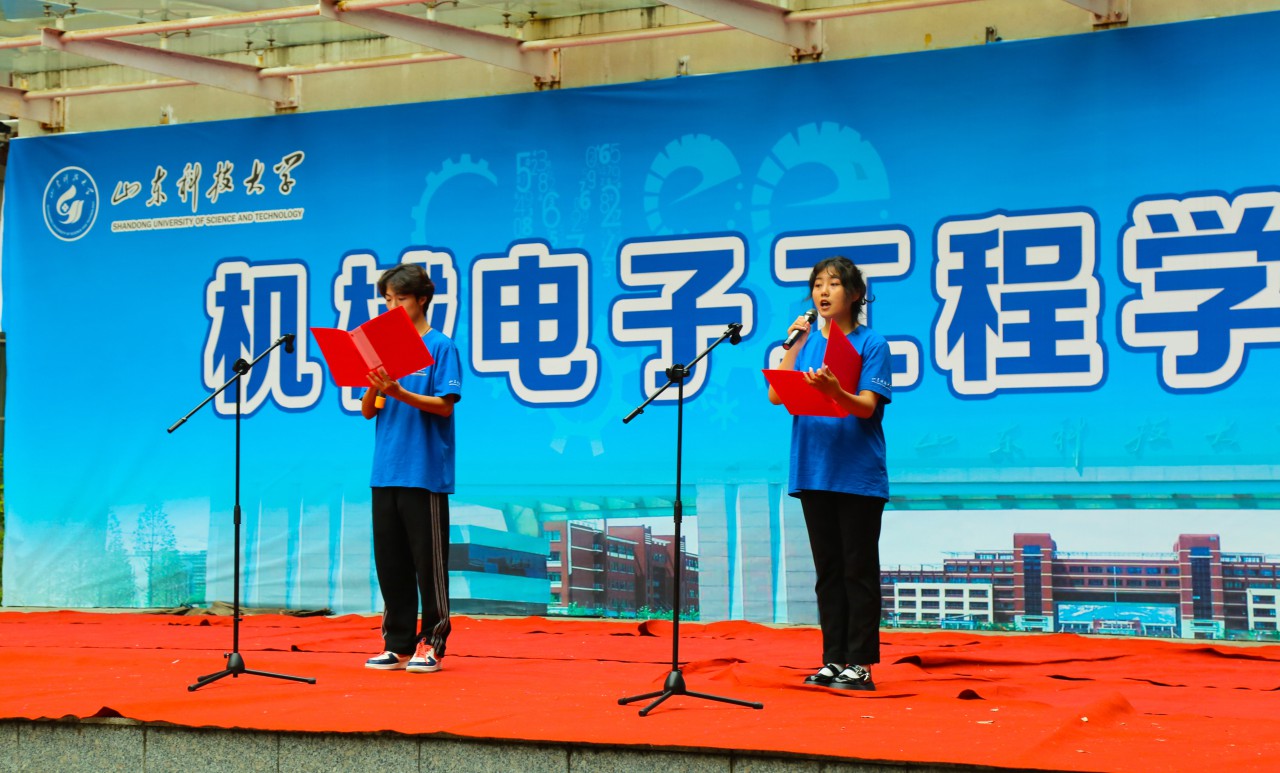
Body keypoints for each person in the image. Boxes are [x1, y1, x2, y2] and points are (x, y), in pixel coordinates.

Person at [767, 256, 892, 692]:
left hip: (857, 473)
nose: (823, 291)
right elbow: (776, 394)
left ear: (855, 294)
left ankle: (860, 664)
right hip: (813, 468)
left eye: (834, 284)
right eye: (817, 284)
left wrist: (836, 391)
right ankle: (833, 660)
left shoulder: (872, 343)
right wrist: (793, 345)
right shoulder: (806, 343)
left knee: (858, 570)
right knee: (829, 572)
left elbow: (867, 407)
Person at [360, 263, 462, 674]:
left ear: (422, 299)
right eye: (387, 300)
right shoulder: (384, 347)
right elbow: (368, 411)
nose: (393, 306)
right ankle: (396, 643)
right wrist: (375, 387)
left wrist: (400, 392)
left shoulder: (441, 346)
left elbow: (444, 406)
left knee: (428, 566)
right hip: (385, 470)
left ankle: (432, 642)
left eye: (400, 298)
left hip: (424, 472)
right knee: (391, 564)